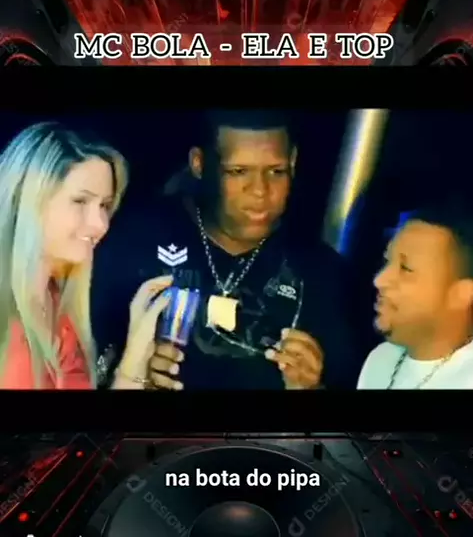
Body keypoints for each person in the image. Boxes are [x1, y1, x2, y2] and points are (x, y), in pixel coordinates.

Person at [92, 110, 361, 390]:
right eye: (238, 171)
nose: (260, 190)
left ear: (293, 162)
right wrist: (129, 371)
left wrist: (311, 387)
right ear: (199, 164)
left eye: (276, 171)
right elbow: (81, 358)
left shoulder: (321, 273)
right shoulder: (136, 239)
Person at [0, 122, 170, 389]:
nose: (100, 224)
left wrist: (136, 356)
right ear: (28, 197)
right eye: (80, 201)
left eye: (104, 205)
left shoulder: (60, 307)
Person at [357, 198, 473, 389]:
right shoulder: (380, 359)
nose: (379, 280)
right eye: (387, 261)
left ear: (462, 294)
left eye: (406, 268)